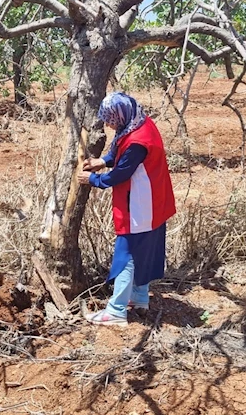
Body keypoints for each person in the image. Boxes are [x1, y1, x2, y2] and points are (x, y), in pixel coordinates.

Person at [77, 92, 176, 326]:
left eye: (111, 120)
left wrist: (94, 180)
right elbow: (119, 152)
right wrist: (103, 160)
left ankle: (116, 310)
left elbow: (122, 173)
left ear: (121, 116)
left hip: (141, 205)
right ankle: (139, 298)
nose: (109, 125)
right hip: (155, 200)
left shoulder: (137, 142)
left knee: (127, 254)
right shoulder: (141, 123)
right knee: (145, 249)